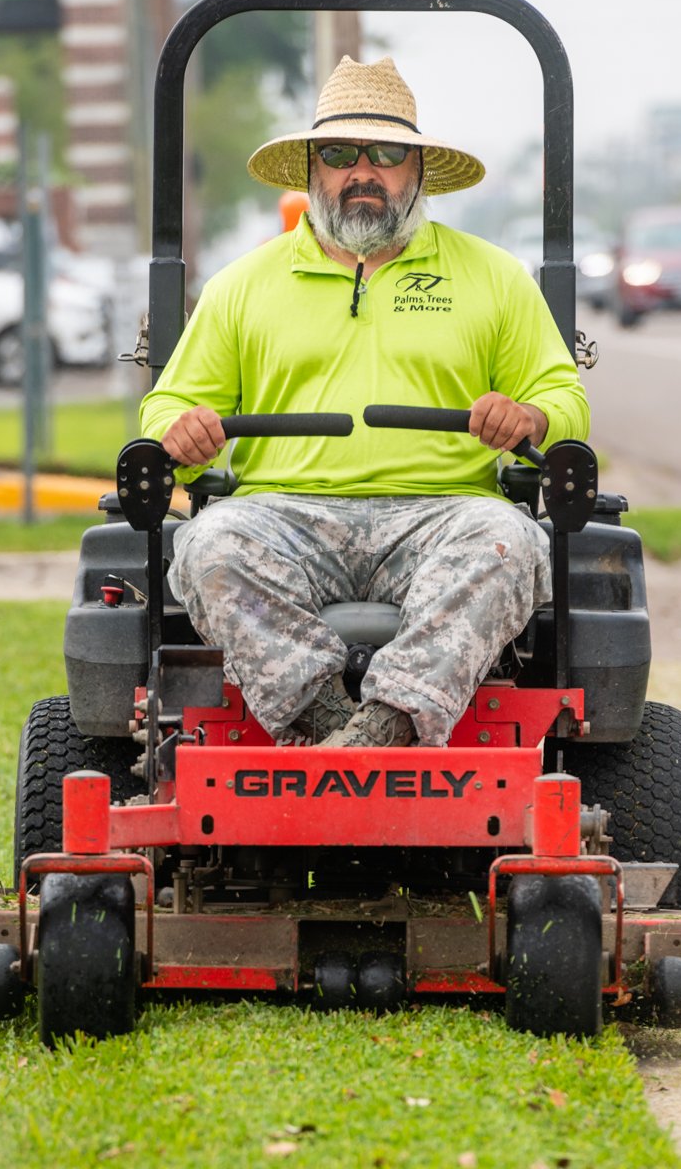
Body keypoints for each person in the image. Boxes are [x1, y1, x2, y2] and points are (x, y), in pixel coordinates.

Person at [140, 56, 589, 749]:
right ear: (313, 171)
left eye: (385, 153)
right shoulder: (242, 285)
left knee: (507, 544)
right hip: (283, 513)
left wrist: (529, 417)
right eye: (340, 153)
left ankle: (386, 727)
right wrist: (182, 432)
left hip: (442, 512)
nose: (362, 171)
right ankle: (326, 720)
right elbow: (169, 407)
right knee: (207, 547)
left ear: (417, 170)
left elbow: (563, 396)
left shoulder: (491, 277)